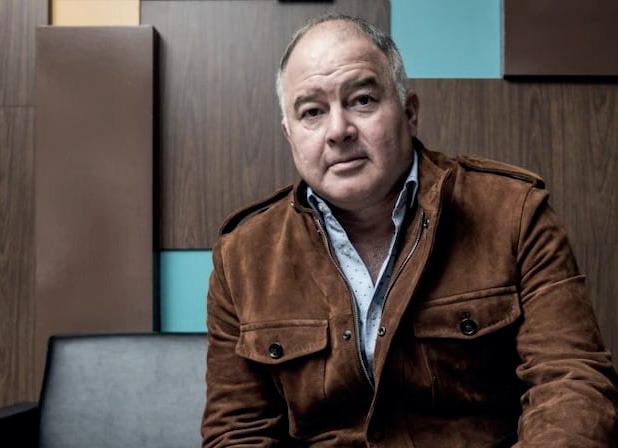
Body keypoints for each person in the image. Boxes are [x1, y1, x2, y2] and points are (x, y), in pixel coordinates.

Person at [201, 14, 617, 447]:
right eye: (312, 112)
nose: (338, 130)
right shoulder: (242, 255)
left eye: (362, 100)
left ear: (409, 112)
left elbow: (572, 384)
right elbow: (238, 432)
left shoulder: (514, 213)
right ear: (290, 136)